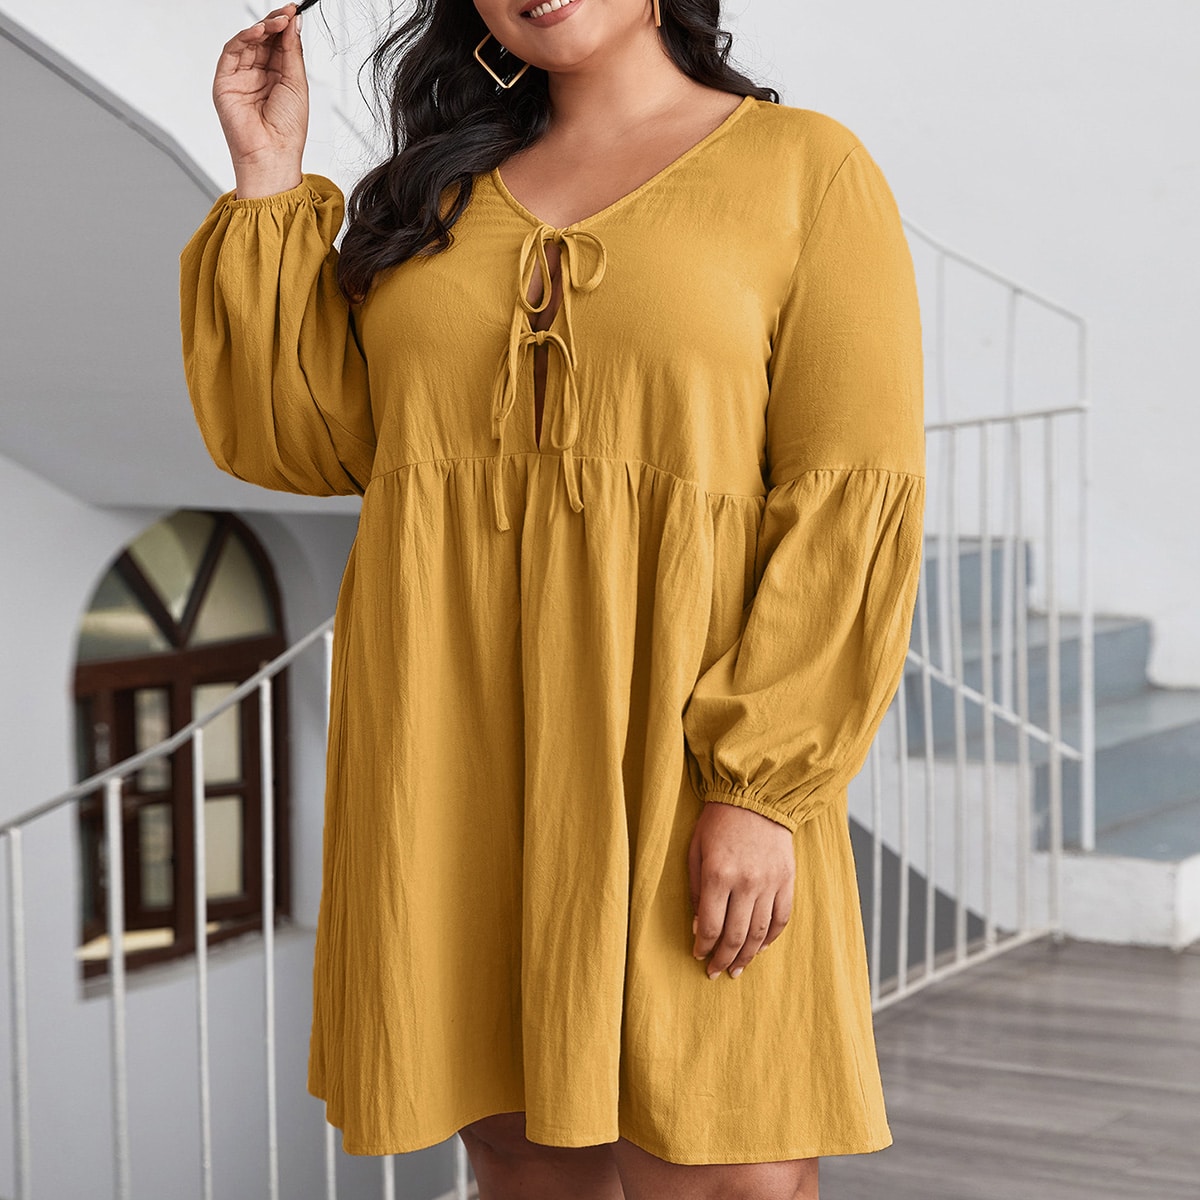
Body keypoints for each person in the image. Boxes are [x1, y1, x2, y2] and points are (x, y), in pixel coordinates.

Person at [180, 1, 925, 1196]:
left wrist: (762, 787)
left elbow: (850, 497)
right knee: (519, 1151)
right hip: (452, 742)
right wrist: (269, 174)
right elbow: (305, 438)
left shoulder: (805, 170)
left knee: (725, 1158)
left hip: (683, 748)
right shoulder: (431, 193)